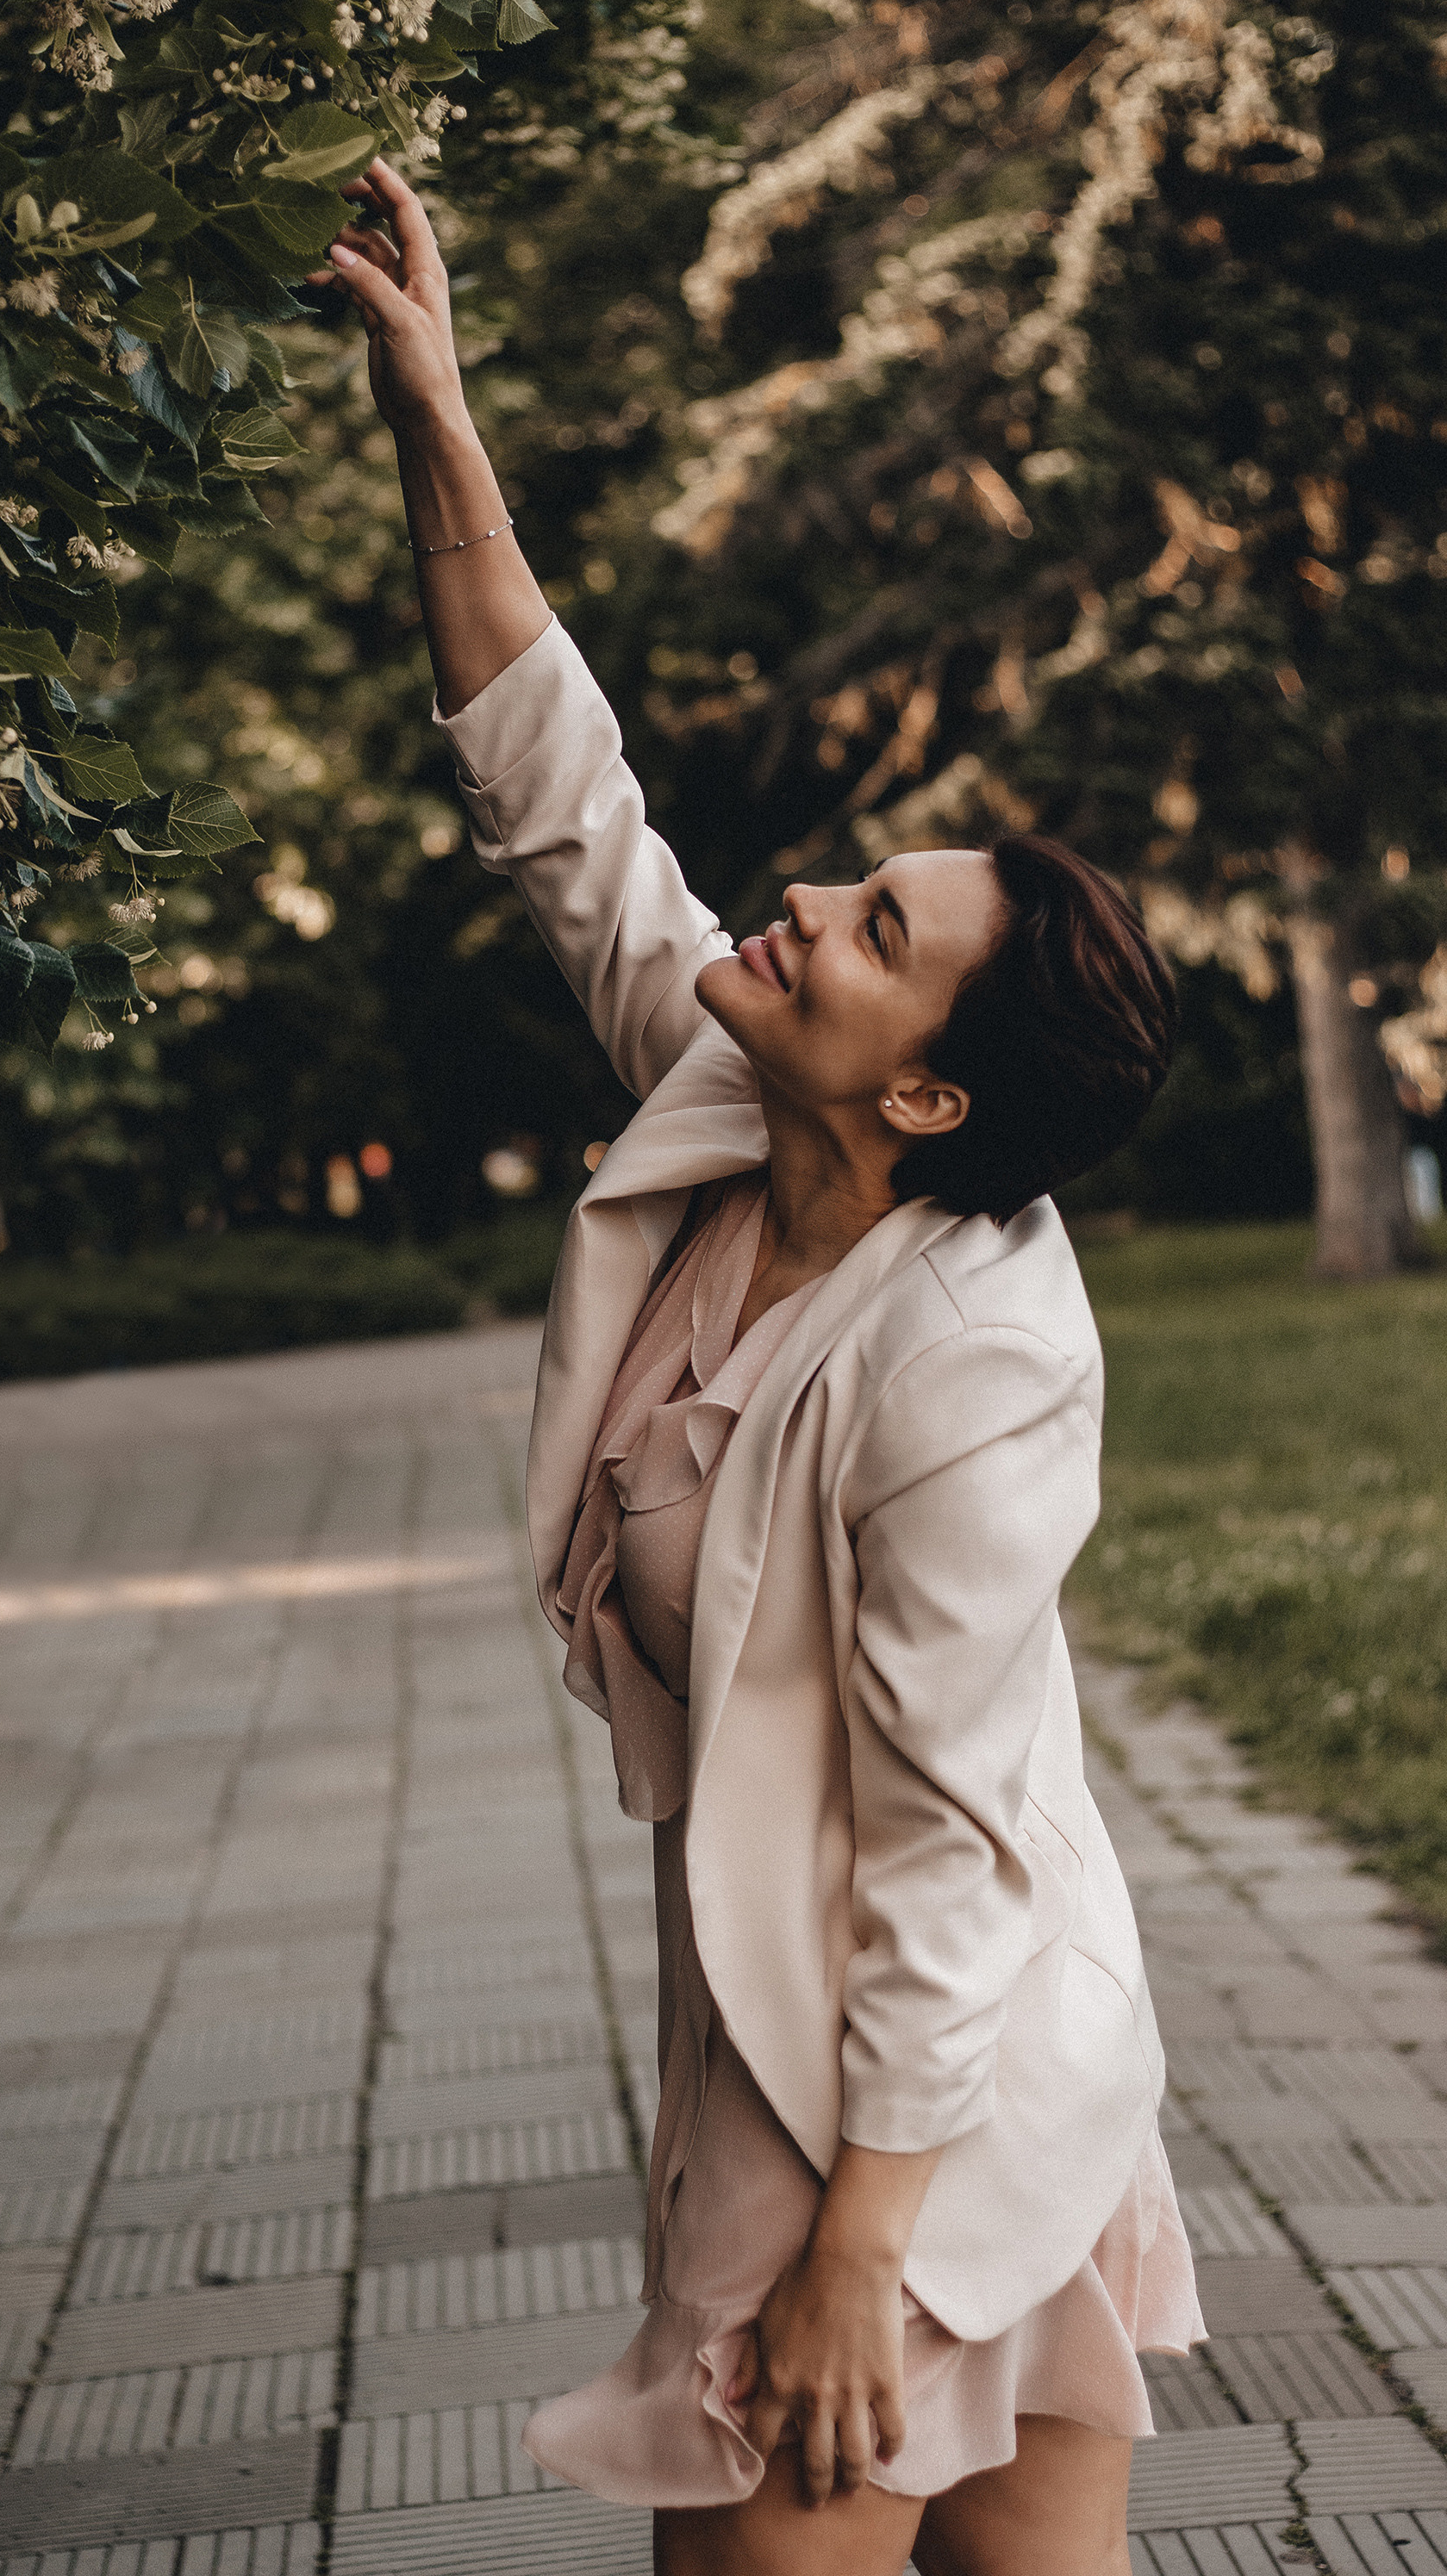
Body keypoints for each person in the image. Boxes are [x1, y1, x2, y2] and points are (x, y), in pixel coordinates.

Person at [316, 159, 1202, 2576]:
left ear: (925, 1090)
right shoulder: (739, 1098)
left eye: (875, 927)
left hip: (921, 2072)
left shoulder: (976, 1360)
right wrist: (441, 414)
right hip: (810, 2015)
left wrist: (851, 2256)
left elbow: (941, 1843)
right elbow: (560, 799)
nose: (802, 900)